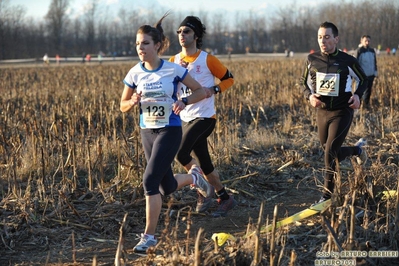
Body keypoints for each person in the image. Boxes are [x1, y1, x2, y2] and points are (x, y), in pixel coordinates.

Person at [120, 13, 211, 254]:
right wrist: (133, 102)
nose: (141, 48)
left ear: (158, 45)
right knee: (166, 186)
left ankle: (149, 237)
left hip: (169, 130)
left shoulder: (173, 70)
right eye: (138, 43)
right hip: (146, 131)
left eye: (145, 43)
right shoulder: (134, 73)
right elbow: (122, 105)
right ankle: (195, 178)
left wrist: (183, 102)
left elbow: (200, 91)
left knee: (149, 181)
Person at [169, 16, 237, 217]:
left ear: (196, 36)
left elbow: (229, 79)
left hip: (205, 117)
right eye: (179, 31)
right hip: (185, 118)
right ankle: (224, 198)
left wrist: (214, 88)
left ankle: (202, 190)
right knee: (205, 165)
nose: (182, 35)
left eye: (187, 31)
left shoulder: (207, 59)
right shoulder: (173, 60)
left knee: (181, 153)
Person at [298, 22, 369, 202]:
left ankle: (327, 196)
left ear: (336, 39)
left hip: (341, 112)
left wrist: (358, 96)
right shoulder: (312, 60)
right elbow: (302, 83)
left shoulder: (347, 61)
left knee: (329, 154)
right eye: (320, 37)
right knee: (329, 151)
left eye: (327, 37)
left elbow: (364, 80)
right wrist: (310, 97)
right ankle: (356, 150)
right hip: (322, 113)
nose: (323, 41)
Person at [356, 35, 378, 107]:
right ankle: (358, 105)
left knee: (368, 91)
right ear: (361, 41)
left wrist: (375, 72)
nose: (367, 42)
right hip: (362, 76)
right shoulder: (359, 51)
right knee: (360, 91)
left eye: (368, 41)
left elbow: (374, 62)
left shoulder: (372, 51)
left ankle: (366, 105)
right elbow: (356, 64)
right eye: (365, 41)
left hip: (371, 74)